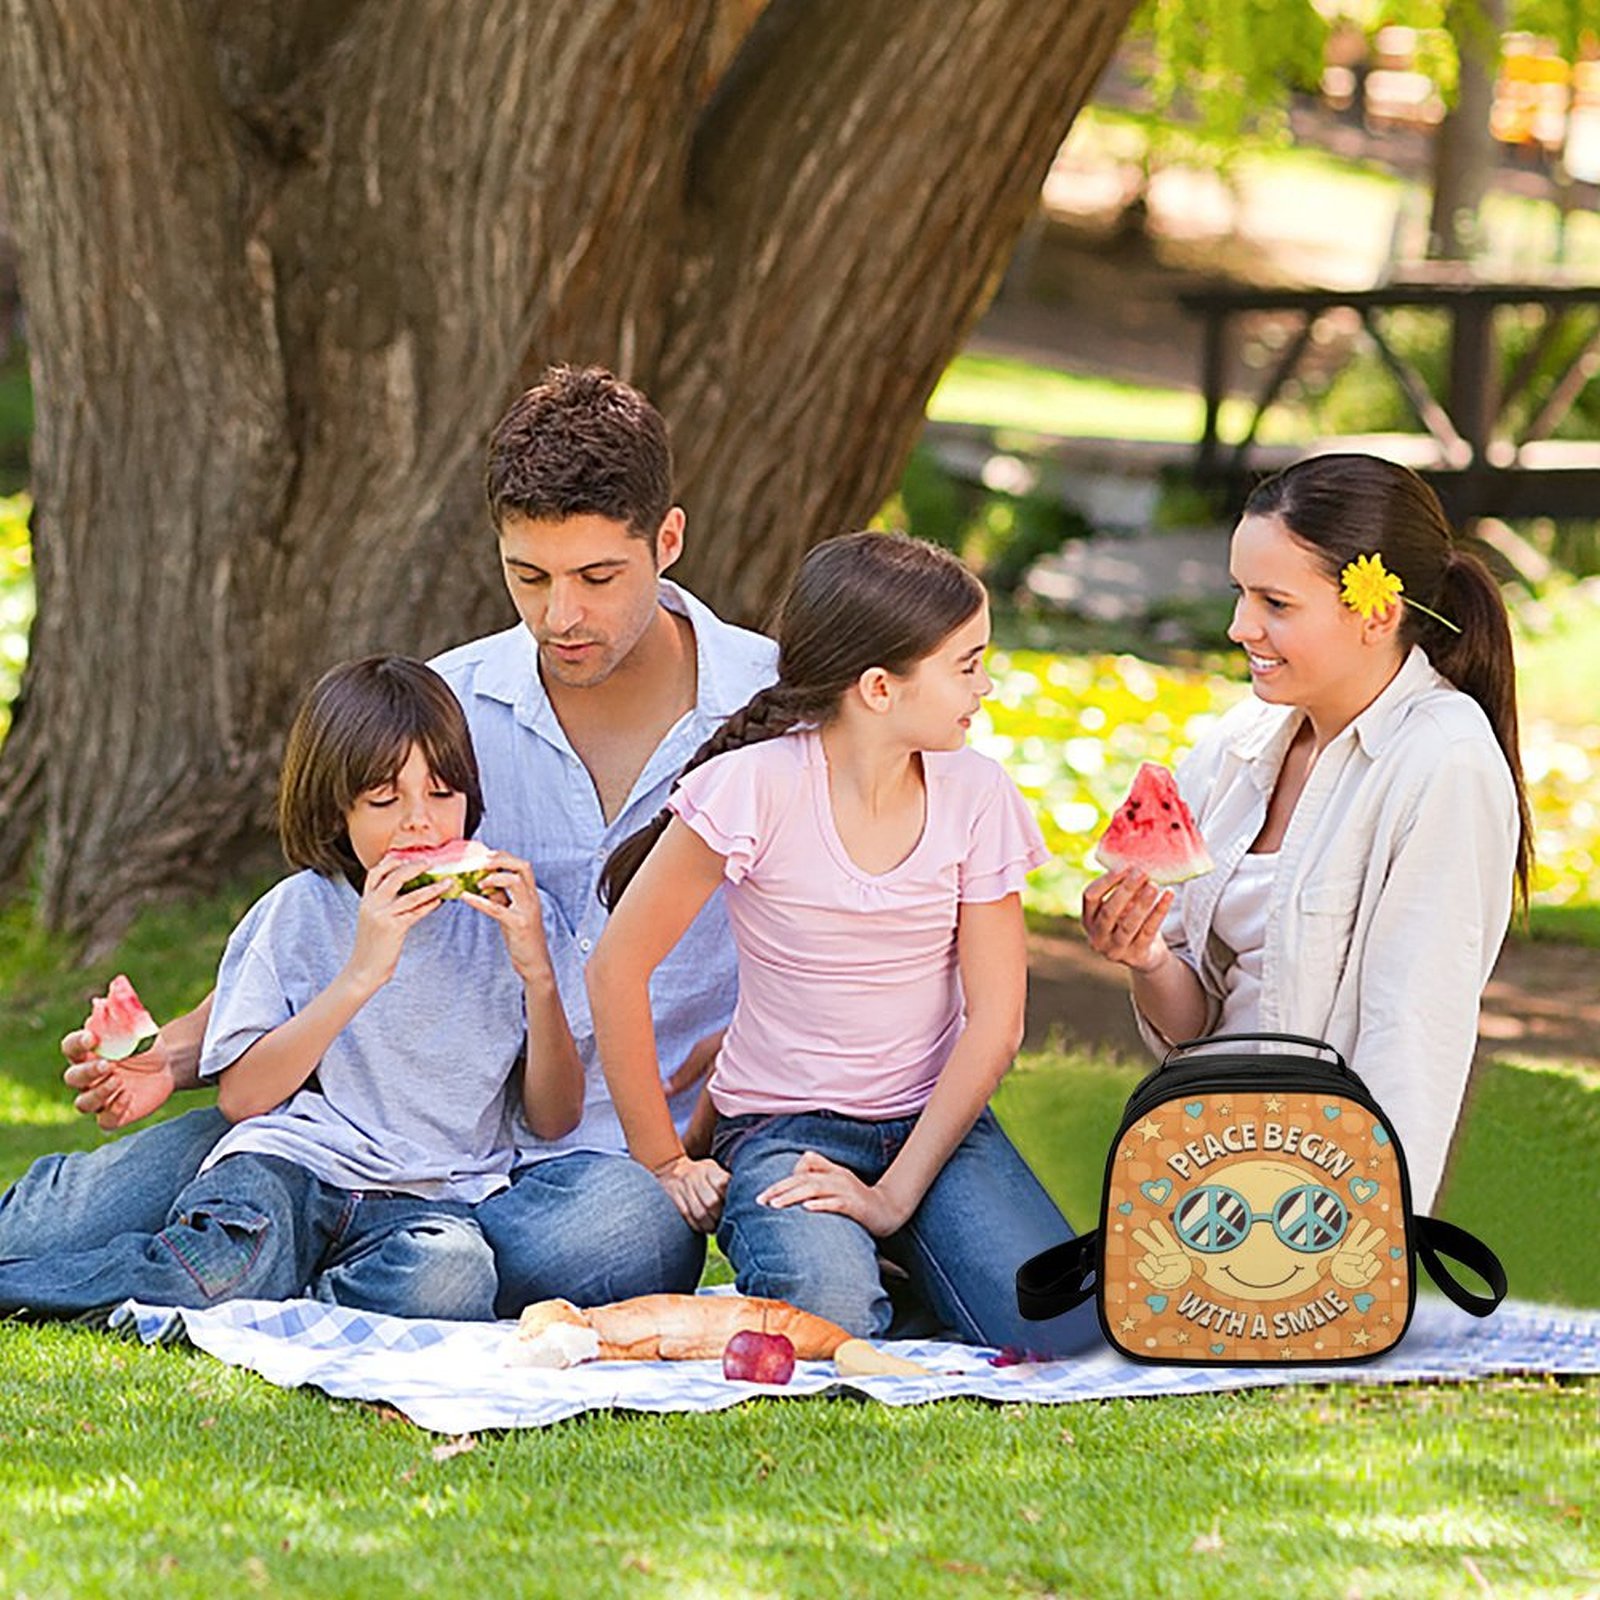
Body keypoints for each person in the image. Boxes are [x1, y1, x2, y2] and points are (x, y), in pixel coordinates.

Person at [9, 365, 777, 1315]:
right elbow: (327, 916)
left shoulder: (772, 715)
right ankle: (284, 1237)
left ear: (668, 541)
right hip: (353, 1114)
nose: (559, 616)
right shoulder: (449, 707)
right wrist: (168, 1058)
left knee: (625, 1243)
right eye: (528, 577)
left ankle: (323, 1257)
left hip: (582, 1161)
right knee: (64, 1222)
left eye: (597, 578)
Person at [587, 532, 1100, 1355]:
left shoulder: (978, 795)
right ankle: (873, 1267)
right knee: (830, 1318)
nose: (988, 684)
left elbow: (996, 1023)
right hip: (786, 1131)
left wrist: (893, 1198)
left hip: (936, 1123)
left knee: (1059, 1335)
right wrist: (665, 1160)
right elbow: (616, 967)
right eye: (966, 665)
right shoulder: (752, 788)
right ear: (878, 688)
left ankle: (900, 1248)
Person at [0, 656, 583, 1319]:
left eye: (443, 794)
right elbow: (244, 1097)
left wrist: (537, 975)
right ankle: (30, 1285)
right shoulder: (299, 912)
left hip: (430, 1200)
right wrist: (361, 974)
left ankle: (296, 1303)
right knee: (216, 1272)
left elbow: (554, 1117)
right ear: (337, 813)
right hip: (290, 1170)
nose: (421, 823)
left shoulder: (514, 926)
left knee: (452, 1280)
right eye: (386, 800)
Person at [1081, 454, 1529, 1210]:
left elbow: (1409, 1038)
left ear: (1376, 613)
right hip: (1201, 1163)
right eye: (1239, 593)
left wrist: (1357, 1254)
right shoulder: (1236, 743)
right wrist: (1147, 955)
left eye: (1275, 603)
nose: (1238, 626)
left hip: (1319, 1202)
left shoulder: (1444, 762)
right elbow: (1196, 1027)